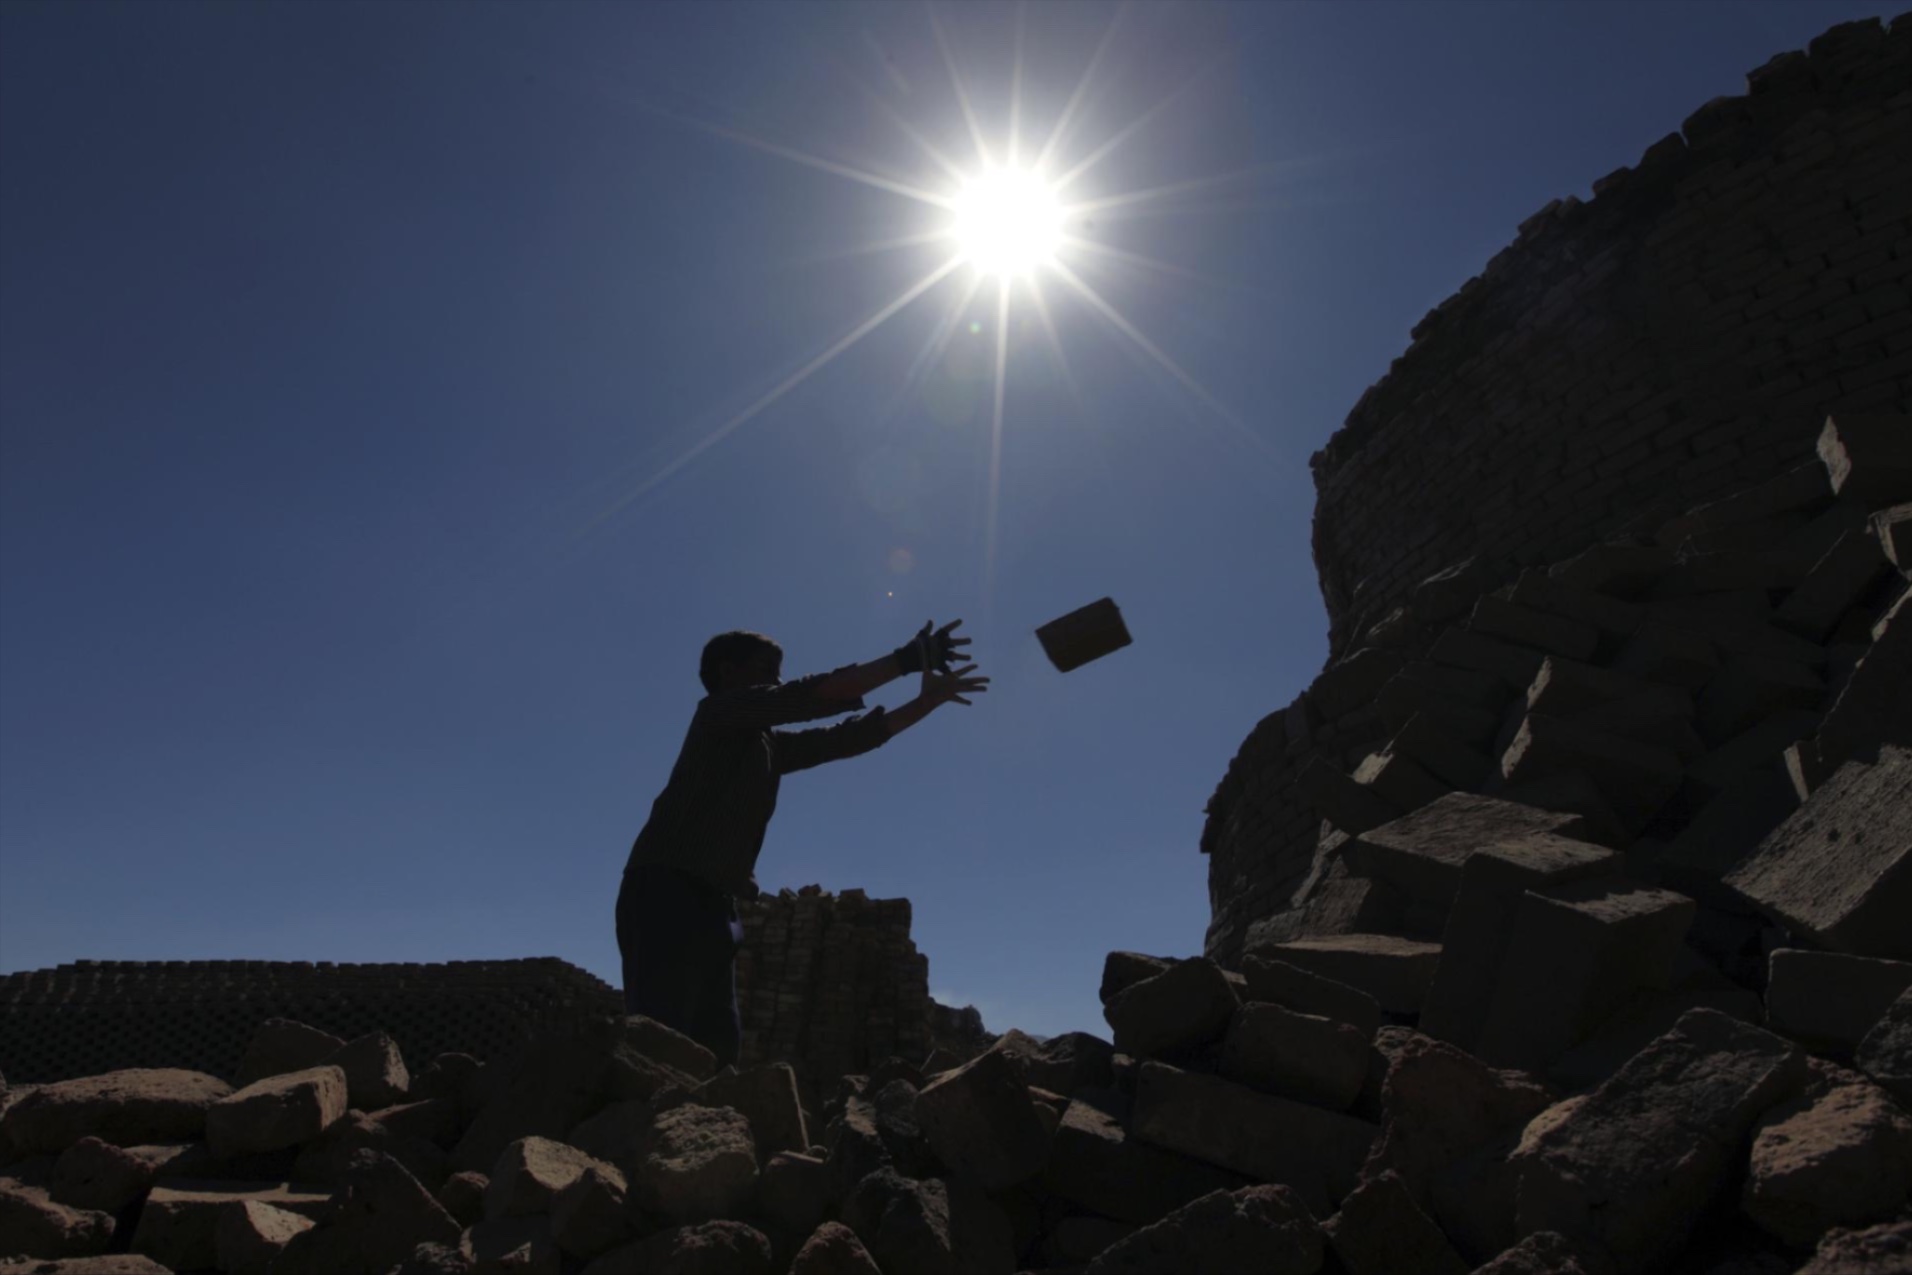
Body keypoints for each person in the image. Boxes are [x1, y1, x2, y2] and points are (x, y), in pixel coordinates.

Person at [616, 619, 988, 1066]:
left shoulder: (767, 747)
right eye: (766, 667)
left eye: (779, 669)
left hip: (717, 906)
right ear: (726, 672)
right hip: (667, 890)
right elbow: (809, 697)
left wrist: (925, 703)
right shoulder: (718, 714)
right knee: (659, 1041)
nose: (775, 679)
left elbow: (846, 740)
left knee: (716, 1050)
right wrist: (907, 660)